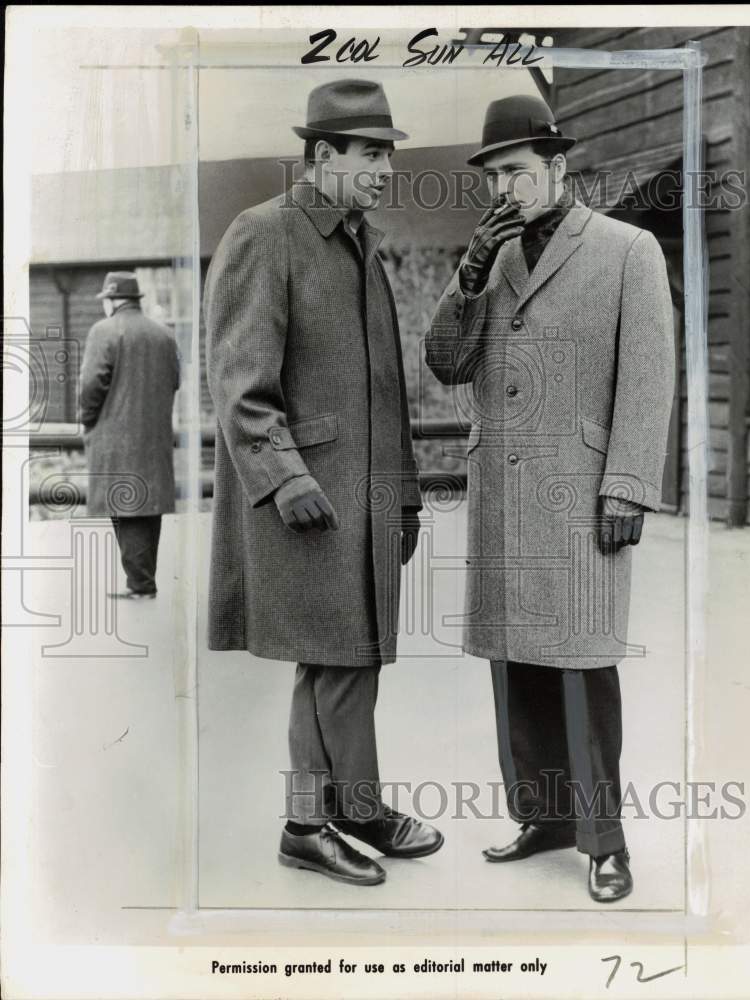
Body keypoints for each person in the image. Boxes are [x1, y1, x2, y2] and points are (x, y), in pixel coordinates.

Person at [425, 94, 676, 902]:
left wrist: (627, 485)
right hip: (505, 492)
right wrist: (467, 276)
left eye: (516, 171)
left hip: (580, 493)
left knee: (582, 666)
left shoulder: (627, 249)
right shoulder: (491, 258)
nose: (504, 188)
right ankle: (542, 818)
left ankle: (605, 844)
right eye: (492, 175)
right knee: (515, 665)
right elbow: (446, 363)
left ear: (557, 166)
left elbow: (648, 379)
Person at [203, 79, 442, 887]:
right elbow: (239, 382)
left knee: (352, 657)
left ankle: (350, 807)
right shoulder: (264, 233)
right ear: (321, 154)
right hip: (309, 498)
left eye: (388, 155)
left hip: (363, 500)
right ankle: (312, 824)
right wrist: (281, 477)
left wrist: (403, 496)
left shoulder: (358, 241)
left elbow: (386, 390)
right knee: (334, 659)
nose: (384, 170)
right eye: (370, 154)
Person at [79, 271, 180, 599]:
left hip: (116, 438)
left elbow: (91, 385)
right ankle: (142, 582)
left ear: (111, 301)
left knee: (125, 506)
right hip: (155, 437)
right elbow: (175, 381)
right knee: (148, 507)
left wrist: (87, 421)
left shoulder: (103, 331)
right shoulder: (165, 335)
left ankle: (140, 585)